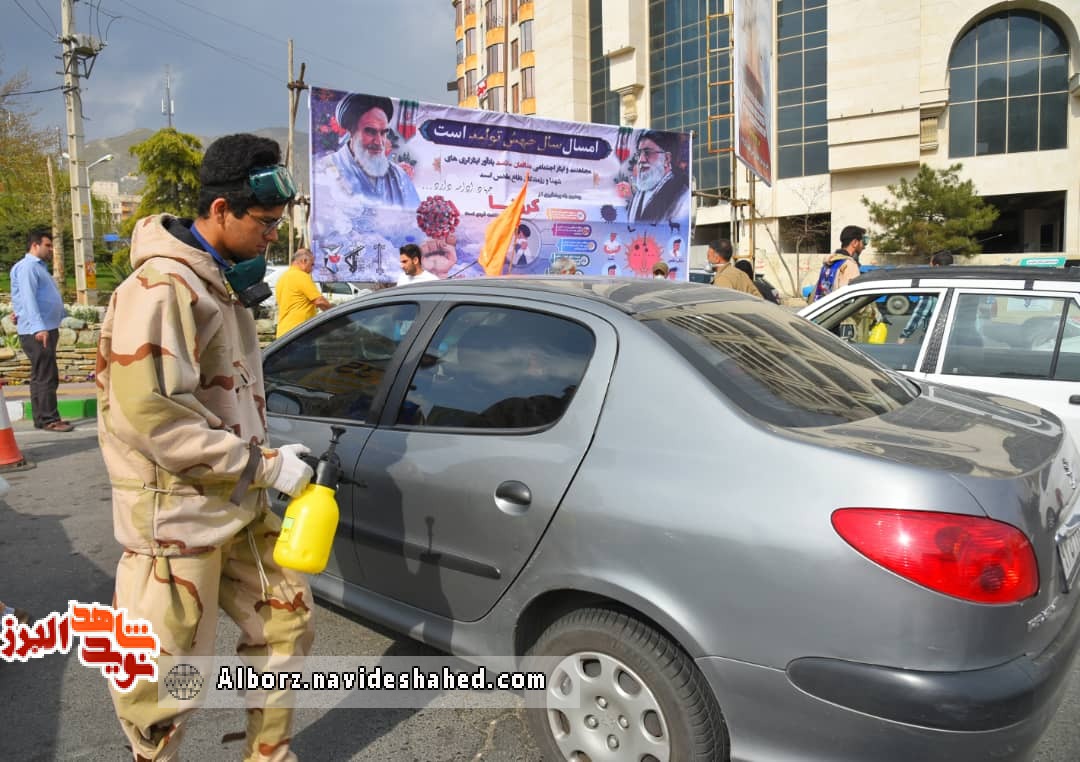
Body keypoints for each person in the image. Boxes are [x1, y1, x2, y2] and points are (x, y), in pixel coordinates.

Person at [96, 134, 316, 762]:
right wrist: (263, 464)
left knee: (285, 624)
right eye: (265, 222)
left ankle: (269, 756)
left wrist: (261, 458)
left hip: (237, 503)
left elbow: (226, 396)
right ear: (221, 211)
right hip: (177, 520)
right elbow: (151, 413)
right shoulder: (162, 287)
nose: (273, 235)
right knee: (166, 683)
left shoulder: (220, 283)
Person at [11, 229, 73, 432]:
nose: (51, 249)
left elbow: (25, 299)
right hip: (39, 330)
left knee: (41, 374)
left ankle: (42, 418)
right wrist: (38, 327)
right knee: (46, 375)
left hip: (44, 327)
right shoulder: (28, 267)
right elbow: (28, 298)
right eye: (47, 245)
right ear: (35, 245)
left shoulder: (37, 267)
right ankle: (49, 419)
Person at [316, 92, 420, 209]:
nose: (379, 142)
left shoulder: (399, 176)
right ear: (351, 131)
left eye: (383, 133)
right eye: (370, 132)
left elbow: (416, 221)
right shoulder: (323, 170)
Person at [626, 131, 690, 224]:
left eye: (648, 153)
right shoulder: (639, 195)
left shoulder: (682, 194)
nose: (641, 160)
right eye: (639, 154)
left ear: (667, 158)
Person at [898, 250, 954, 344]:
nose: (929, 267)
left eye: (930, 264)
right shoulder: (957, 283)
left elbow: (920, 313)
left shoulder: (933, 285)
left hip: (933, 338)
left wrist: (904, 335)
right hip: (954, 337)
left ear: (936, 266)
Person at [275, 248, 331, 338]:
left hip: (283, 334)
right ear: (304, 261)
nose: (312, 269)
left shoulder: (283, 278)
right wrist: (335, 313)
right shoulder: (301, 276)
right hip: (299, 332)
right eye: (312, 264)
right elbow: (320, 301)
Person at [811, 225, 867, 302]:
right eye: (864, 242)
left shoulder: (829, 262)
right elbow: (850, 300)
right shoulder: (849, 265)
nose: (864, 247)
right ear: (855, 243)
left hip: (824, 310)